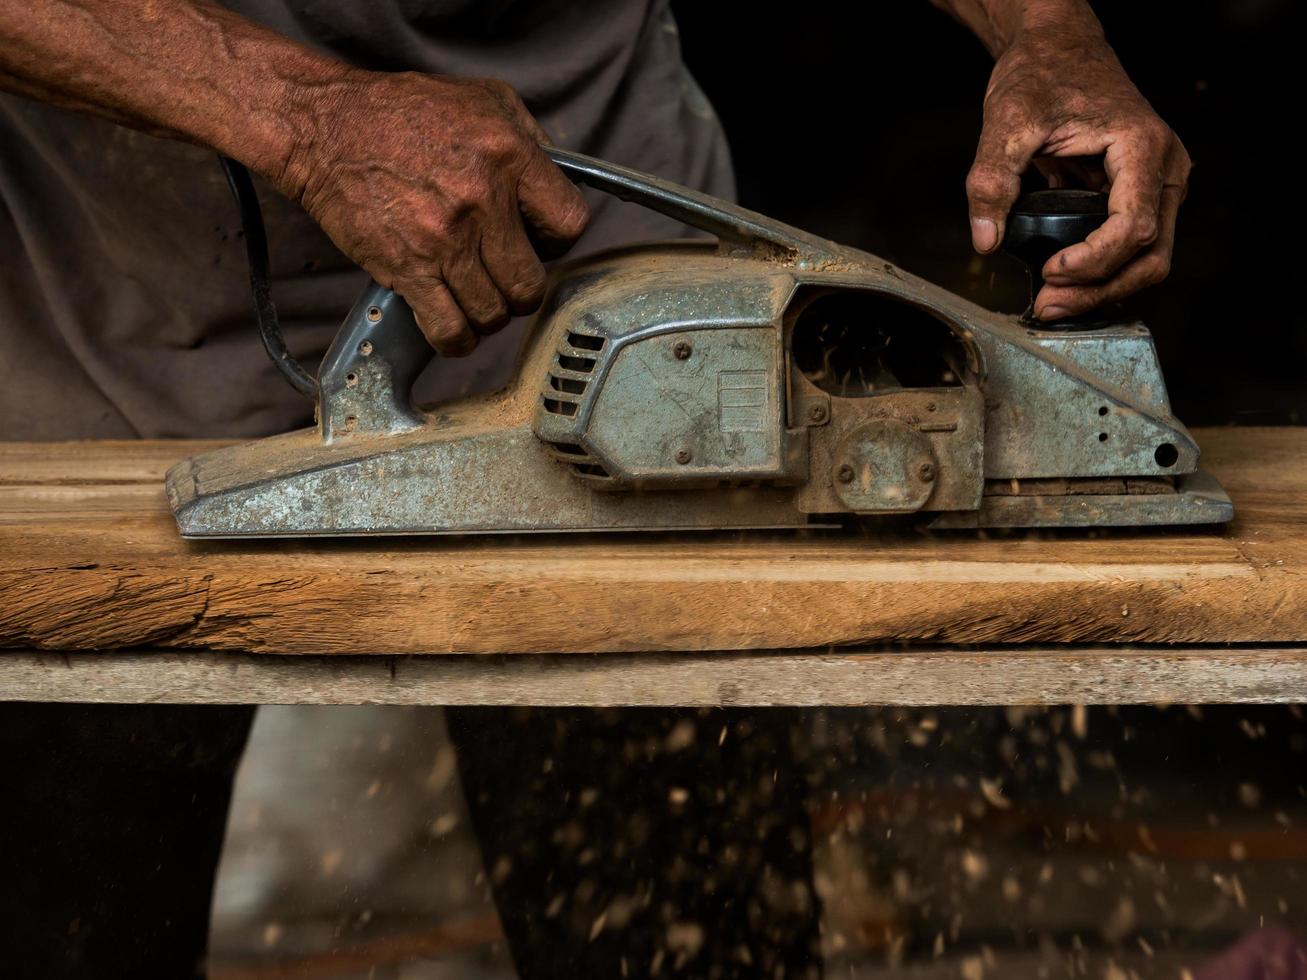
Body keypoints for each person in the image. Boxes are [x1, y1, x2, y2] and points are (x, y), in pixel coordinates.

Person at [0, 0, 1189, 976]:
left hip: (592, 250)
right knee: (65, 912)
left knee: (669, 920)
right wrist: (302, 120)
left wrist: (1046, 32)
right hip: (99, 305)